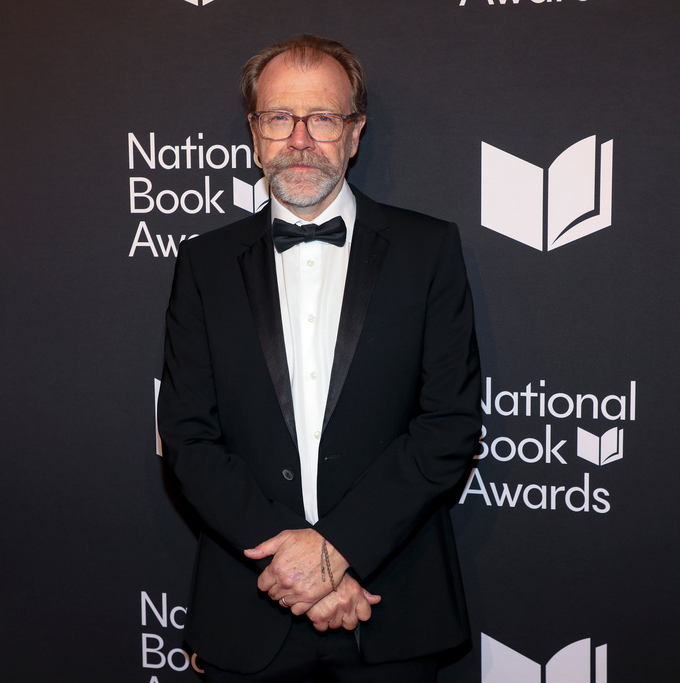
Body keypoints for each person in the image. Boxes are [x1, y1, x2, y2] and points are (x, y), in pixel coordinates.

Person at [158, 34, 481, 682]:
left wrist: (337, 550)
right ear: (255, 134)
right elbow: (188, 437)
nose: (300, 139)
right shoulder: (203, 263)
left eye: (323, 118)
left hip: (392, 608)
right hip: (248, 607)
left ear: (354, 133)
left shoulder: (428, 250)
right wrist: (296, 566)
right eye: (280, 117)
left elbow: (449, 426)